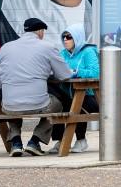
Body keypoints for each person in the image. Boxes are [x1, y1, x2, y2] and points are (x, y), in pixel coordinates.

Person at [0, 17, 72, 156]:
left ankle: (16, 142)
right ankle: (35, 141)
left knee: (12, 104)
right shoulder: (47, 47)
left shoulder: (5, 48)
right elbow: (65, 75)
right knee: (58, 104)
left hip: (9, 105)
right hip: (38, 104)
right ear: (40, 31)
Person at [49, 23, 99, 154]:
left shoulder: (88, 52)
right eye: (64, 37)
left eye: (69, 37)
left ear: (77, 37)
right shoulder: (63, 53)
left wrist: (77, 71)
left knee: (76, 103)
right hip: (68, 94)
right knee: (57, 104)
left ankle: (81, 140)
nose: (65, 40)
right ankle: (60, 140)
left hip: (90, 95)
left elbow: (95, 73)